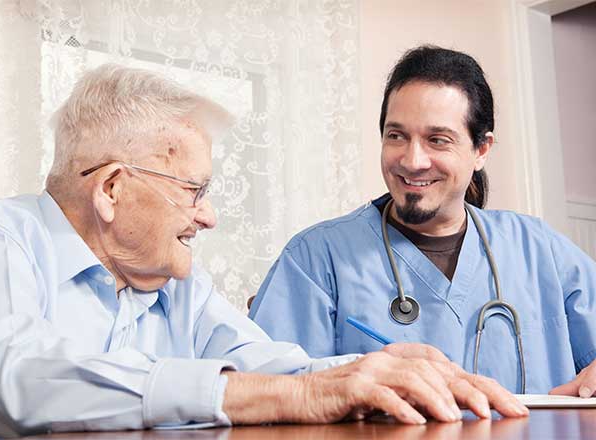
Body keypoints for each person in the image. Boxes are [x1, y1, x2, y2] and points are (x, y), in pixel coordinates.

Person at [0, 64, 527, 437]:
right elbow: (15, 379)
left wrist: (372, 371)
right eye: (193, 191)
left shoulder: (177, 284)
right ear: (110, 189)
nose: (208, 215)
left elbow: (274, 367)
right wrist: (292, 391)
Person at [250, 45, 596, 399]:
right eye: (396, 135)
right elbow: (262, 394)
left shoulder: (539, 248)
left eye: (437, 140)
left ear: (481, 150)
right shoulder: (315, 259)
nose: (413, 160)